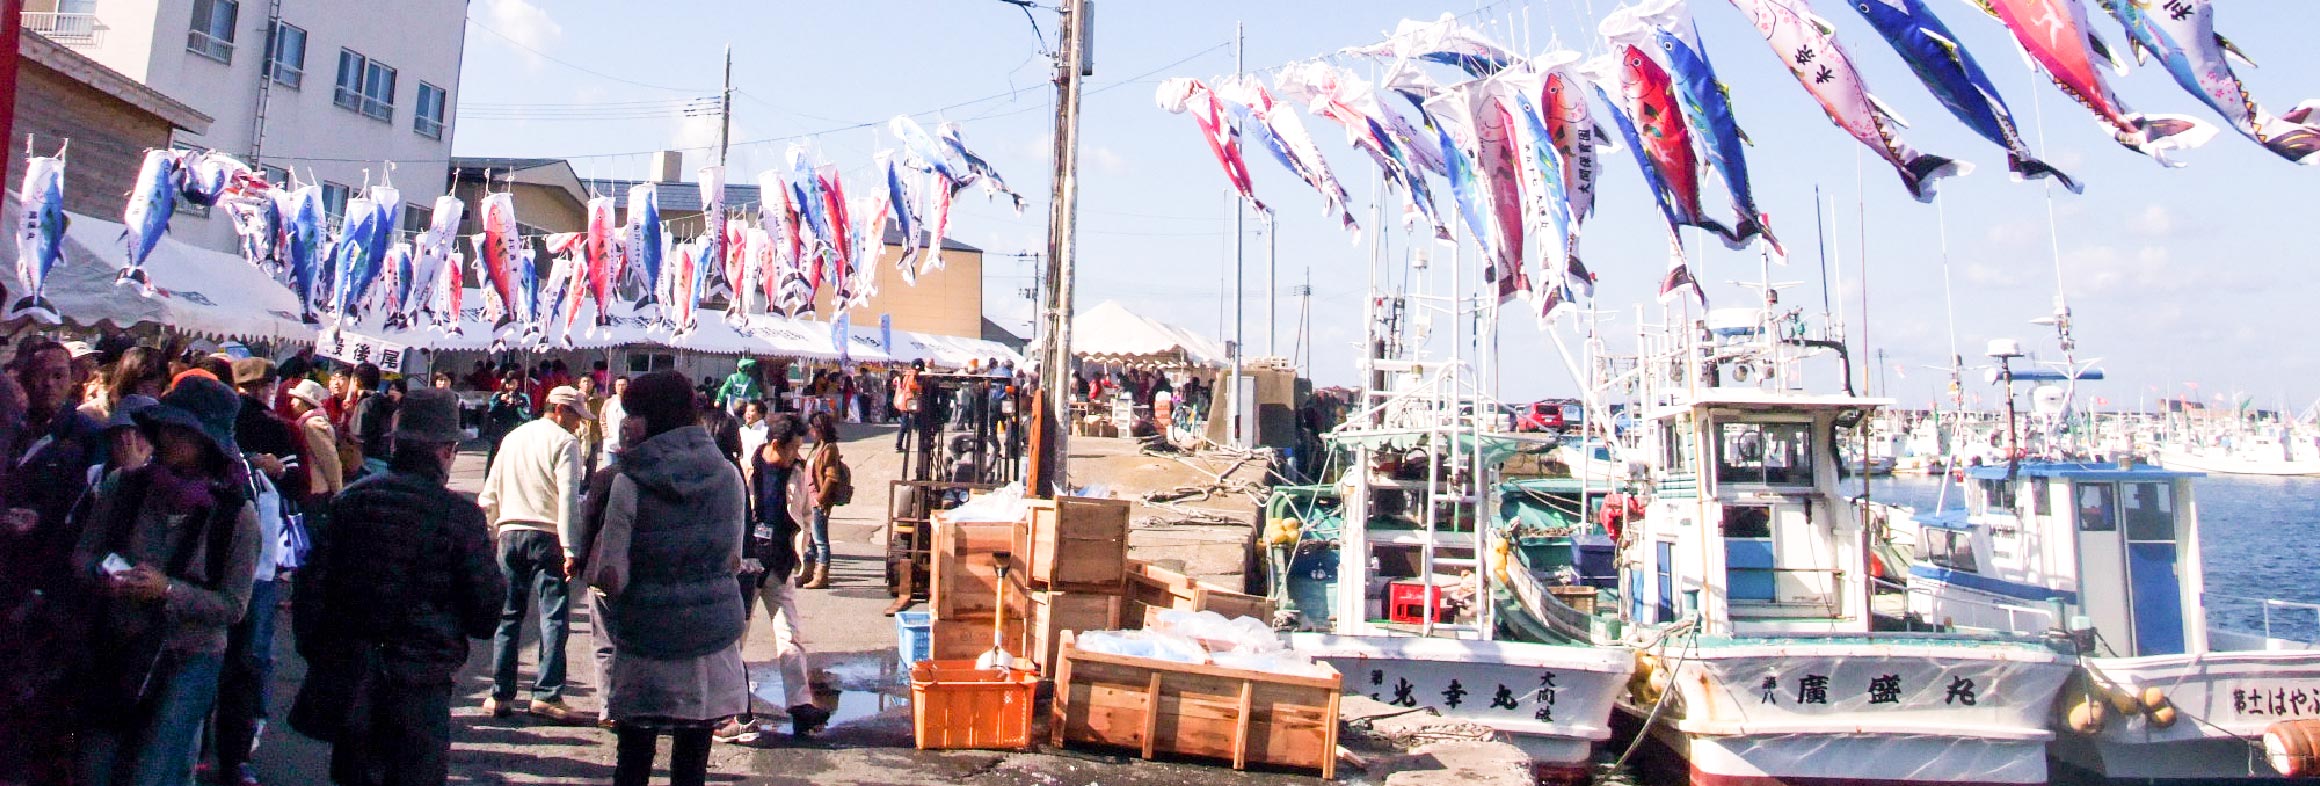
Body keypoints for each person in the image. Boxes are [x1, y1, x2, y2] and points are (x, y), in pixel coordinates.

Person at [293, 388, 503, 786]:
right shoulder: (459, 516)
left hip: (352, 672)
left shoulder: (351, 503)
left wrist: (324, 656)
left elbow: (311, 593)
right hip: (421, 682)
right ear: (446, 451)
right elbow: (485, 613)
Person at [71, 376, 261, 786]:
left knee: (151, 771)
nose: (169, 438)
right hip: (118, 645)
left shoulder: (236, 514)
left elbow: (234, 605)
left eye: (184, 431)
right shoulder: (126, 486)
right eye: (167, 427)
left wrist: (169, 590)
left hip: (187, 656)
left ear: (208, 442)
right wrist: (104, 577)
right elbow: (83, 555)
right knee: (94, 767)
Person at [591, 371, 748, 786]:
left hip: (646, 643)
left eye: (634, 414)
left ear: (653, 417)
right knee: (692, 762)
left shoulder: (629, 482)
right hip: (709, 646)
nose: (626, 424)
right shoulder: (730, 477)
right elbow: (734, 559)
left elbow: (613, 576)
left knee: (635, 759)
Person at [0, 339, 108, 783]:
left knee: (41, 695)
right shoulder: (12, 428)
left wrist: (43, 522)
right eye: (39, 375)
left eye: (59, 375)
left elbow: (89, 512)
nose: (48, 384)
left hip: (53, 584)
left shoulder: (85, 439)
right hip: (8, 573)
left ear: (73, 381)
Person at [217, 359, 309, 786]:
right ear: (265, 387)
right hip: (260, 552)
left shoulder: (219, 422)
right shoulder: (275, 427)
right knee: (255, 650)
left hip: (210, 549)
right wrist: (267, 467)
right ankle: (248, 737)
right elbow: (296, 484)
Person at [477, 384, 590, 723]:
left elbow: (490, 490)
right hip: (548, 533)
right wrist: (572, 547)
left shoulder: (512, 438)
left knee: (508, 614)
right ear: (560, 410)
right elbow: (569, 497)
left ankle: (500, 692)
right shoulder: (564, 442)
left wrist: (492, 527)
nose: (578, 425)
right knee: (552, 614)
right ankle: (546, 693)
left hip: (510, 529)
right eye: (576, 417)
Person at [718, 413, 830, 744]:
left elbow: (806, 515)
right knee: (737, 637)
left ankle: (800, 704)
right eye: (794, 447)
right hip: (746, 564)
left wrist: (801, 549)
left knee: (790, 636)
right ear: (775, 444)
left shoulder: (796, 470)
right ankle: (734, 707)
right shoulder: (748, 467)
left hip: (780, 565)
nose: (799, 453)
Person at [801, 412, 848, 590]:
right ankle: (808, 572)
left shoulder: (829, 448)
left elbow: (831, 477)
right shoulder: (817, 446)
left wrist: (820, 499)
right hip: (809, 498)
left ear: (819, 428)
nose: (810, 431)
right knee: (810, 539)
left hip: (818, 500)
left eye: (812, 427)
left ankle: (821, 576)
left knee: (820, 539)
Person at [287, 379, 345, 506]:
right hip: (309, 487)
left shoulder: (312, 424)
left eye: (296, 398)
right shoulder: (305, 423)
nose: (291, 402)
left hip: (316, 490)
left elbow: (330, 460)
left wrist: (338, 492)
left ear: (307, 402)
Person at [343, 362, 394, 478]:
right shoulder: (384, 400)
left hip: (367, 460)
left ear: (357, 381)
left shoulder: (366, 403)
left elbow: (359, 434)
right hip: (383, 458)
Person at [482, 371, 532, 472]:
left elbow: (527, 416)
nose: (511, 386)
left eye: (514, 383)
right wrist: (500, 401)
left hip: (516, 431)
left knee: (515, 460)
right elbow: (491, 412)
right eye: (509, 383)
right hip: (498, 431)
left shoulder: (523, 397)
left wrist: (517, 405)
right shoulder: (497, 396)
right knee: (494, 459)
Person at [575, 375, 605, 474]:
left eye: (589, 382)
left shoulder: (598, 400)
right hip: (578, 438)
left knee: (591, 468)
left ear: (593, 384)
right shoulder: (574, 399)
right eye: (584, 381)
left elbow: (601, 417)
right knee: (577, 466)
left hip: (593, 438)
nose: (587, 384)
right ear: (579, 384)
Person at [892, 359, 924, 452]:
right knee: (905, 425)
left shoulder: (906, 374)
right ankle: (898, 445)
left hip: (906, 402)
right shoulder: (913, 375)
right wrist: (920, 387)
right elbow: (912, 386)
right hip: (911, 401)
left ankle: (899, 444)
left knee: (904, 424)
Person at [599, 376, 630, 459]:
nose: (621, 387)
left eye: (623, 385)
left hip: (627, 447)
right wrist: (605, 432)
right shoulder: (608, 403)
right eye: (618, 385)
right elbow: (602, 418)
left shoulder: (633, 403)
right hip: (610, 445)